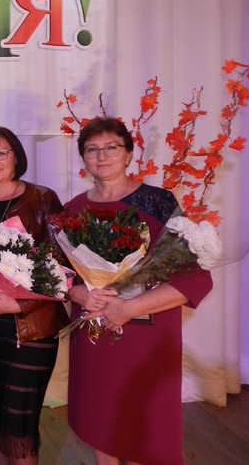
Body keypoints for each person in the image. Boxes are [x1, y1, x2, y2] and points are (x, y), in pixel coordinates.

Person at [64, 117, 213, 465]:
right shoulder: (72, 210)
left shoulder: (156, 202)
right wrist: (78, 294)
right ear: (83, 158)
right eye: (92, 150)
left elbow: (195, 279)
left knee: (150, 430)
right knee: (102, 419)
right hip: (95, 335)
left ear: (129, 153)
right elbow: (59, 276)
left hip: (147, 338)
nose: (102, 156)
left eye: (112, 147)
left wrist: (128, 308)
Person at [0, 126, 69, 465]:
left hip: (29, 329)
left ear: (16, 156)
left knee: (19, 428)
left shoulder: (43, 199)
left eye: (0, 153)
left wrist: (19, 304)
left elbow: (62, 267)